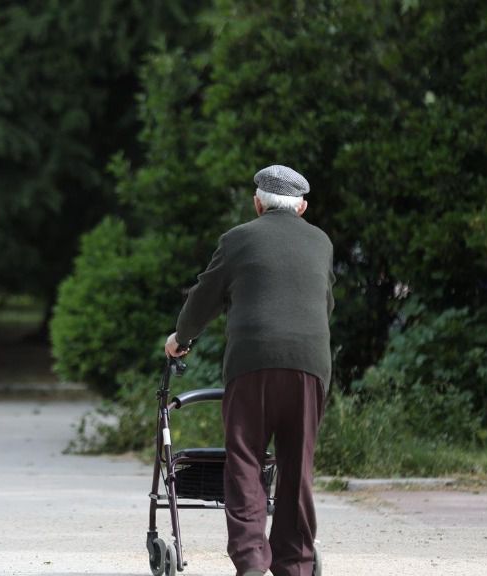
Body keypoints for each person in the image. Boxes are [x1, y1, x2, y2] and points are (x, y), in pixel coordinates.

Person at [164, 165, 334, 576]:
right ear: (303, 207)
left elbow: (204, 297)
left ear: (257, 203)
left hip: (252, 363)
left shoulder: (237, 239)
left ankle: (252, 563)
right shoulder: (321, 242)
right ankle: (294, 563)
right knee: (297, 465)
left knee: (244, 461)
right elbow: (326, 303)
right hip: (310, 366)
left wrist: (181, 339)